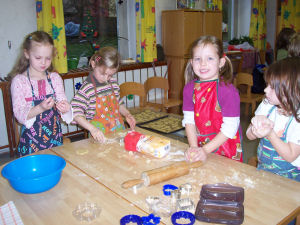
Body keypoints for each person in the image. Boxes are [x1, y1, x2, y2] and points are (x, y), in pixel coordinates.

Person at [9, 31, 73, 156]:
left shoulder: (55, 78)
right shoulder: (20, 82)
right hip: (31, 144)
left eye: (48, 58)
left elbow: (62, 102)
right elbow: (19, 114)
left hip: (54, 140)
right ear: (27, 54)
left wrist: (65, 108)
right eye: (38, 58)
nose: (43, 63)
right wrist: (40, 108)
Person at [182, 36, 243, 163]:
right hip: (201, 146)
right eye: (198, 59)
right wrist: (194, 148)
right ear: (192, 62)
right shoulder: (189, 89)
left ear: (221, 62)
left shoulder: (228, 91)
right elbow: (189, 121)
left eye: (210, 58)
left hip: (226, 147)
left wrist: (205, 150)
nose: (203, 64)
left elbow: (230, 128)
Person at [246, 57, 300, 181]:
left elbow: (291, 155)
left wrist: (270, 134)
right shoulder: (267, 104)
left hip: (290, 177)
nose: (265, 90)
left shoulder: (297, 118)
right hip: (263, 169)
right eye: (267, 84)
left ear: (292, 91)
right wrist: (255, 126)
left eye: (272, 87)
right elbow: (248, 135)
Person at [71, 47, 135, 143]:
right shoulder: (87, 89)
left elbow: (118, 103)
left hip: (118, 132)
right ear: (93, 64)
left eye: (110, 75)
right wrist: (93, 129)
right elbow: (75, 113)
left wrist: (127, 114)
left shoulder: (113, 83)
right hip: (99, 137)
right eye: (102, 74)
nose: (106, 79)